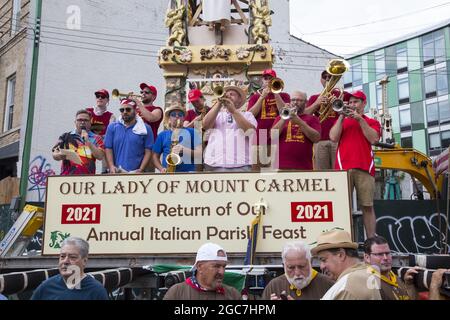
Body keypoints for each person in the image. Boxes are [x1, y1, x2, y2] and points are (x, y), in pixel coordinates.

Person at [329, 90, 381, 238]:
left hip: (364, 167)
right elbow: (333, 137)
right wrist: (340, 117)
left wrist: (360, 120)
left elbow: (373, 139)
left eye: (355, 102)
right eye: (350, 102)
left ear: (364, 103)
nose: (352, 105)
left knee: (367, 206)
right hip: (343, 169)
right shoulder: (343, 121)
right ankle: (345, 239)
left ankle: (371, 239)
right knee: (343, 207)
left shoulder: (372, 122)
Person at [312, 229, 382, 300]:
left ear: (341, 255)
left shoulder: (349, 284)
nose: (321, 266)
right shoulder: (365, 274)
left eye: (324, 260)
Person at [31, 237, 108, 300]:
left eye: (72, 257)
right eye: (62, 256)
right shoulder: (46, 287)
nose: (65, 261)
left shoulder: (96, 291)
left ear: (84, 261)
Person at [203, 86, 257, 172]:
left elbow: (249, 132)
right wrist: (218, 103)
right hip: (214, 164)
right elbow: (205, 125)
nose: (228, 96)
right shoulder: (217, 114)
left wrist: (233, 111)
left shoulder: (247, 115)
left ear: (239, 100)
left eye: (232, 94)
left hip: (241, 165)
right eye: (226, 94)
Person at [163, 242, 241, 300]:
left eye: (224, 266)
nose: (222, 272)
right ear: (200, 267)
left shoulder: (233, 295)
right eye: (216, 266)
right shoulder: (177, 293)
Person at [304, 70, 349, 170]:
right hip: (320, 140)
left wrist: (339, 103)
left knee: (339, 171)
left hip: (339, 140)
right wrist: (316, 103)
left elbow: (350, 112)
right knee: (322, 173)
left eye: (330, 77)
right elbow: (304, 115)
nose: (328, 79)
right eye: (325, 77)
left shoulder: (342, 95)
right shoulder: (315, 97)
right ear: (321, 80)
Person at [248, 69, 290, 170]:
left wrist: (276, 93)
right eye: (265, 78)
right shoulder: (255, 97)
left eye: (270, 78)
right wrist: (262, 97)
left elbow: (284, 112)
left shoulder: (284, 96)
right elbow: (250, 115)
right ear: (262, 80)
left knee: (275, 171)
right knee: (257, 172)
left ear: (275, 79)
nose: (267, 80)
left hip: (278, 138)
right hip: (259, 138)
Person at [261, 241, 334, 300]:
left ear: (310, 263)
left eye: (302, 266)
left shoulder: (328, 285)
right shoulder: (274, 286)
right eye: (291, 267)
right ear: (284, 266)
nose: (297, 273)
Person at [270, 91, 321, 170]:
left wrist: (299, 122)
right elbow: (272, 136)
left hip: (303, 167)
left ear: (306, 103)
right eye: (293, 100)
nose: (295, 102)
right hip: (281, 166)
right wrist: (284, 118)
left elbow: (316, 138)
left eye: (299, 100)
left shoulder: (312, 118)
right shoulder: (281, 117)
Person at [104, 99, 154, 173]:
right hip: (117, 172)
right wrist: (111, 166)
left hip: (136, 173)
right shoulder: (112, 127)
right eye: (122, 110)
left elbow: (148, 151)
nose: (124, 112)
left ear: (135, 110)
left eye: (128, 109)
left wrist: (141, 169)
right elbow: (108, 148)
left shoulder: (145, 128)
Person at [52, 110, 104, 175]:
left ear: (90, 123)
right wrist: (60, 155)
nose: (82, 122)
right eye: (79, 120)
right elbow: (54, 154)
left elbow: (100, 156)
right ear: (75, 122)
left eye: (85, 120)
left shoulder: (97, 138)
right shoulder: (65, 136)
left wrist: (88, 142)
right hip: (66, 177)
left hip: (88, 179)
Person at [152, 104, 202, 173]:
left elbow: (200, 154)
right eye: (173, 114)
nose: (177, 116)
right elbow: (154, 156)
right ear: (169, 118)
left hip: (188, 173)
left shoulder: (192, 132)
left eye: (180, 114)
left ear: (183, 118)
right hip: (169, 172)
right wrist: (161, 169)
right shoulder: (162, 135)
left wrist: (185, 150)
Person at [363, 236, 416, 300]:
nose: (385, 258)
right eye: (380, 254)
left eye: (387, 253)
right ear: (367, 258)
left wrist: (409, 285)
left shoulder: (394, 277)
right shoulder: (367, 282)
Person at [86, 89, 116, 174]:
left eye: (103, 97)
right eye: (97, 96)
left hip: (102, 143)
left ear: (107, 100)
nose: (100, 98)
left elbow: (110, 135)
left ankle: (105, 171)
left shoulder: (111, 116)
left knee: (107, 146)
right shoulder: (88, 111)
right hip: (89, 141)